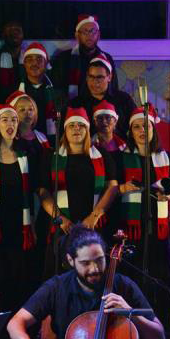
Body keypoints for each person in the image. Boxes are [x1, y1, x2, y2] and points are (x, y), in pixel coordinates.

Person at [7, 226, 165, 339]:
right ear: (70, 260)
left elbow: (159, 337)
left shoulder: (124, 286)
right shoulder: (56, 287)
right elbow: (15, 322)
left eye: (99, 260)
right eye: (85, 263)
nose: (94, 269)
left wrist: (131, 313)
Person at [117, 104, 170, 331]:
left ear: (153, 129)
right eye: (136, 127)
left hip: (159, 231)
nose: (142, 130)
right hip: (132, 230)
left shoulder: (166, 157)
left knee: (161, 280)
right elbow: (114, 189)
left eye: (146, 126)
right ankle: (134, 331)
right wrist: (123, 188)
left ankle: (161, 331)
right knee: (134, 282)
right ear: (131, 131)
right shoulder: (121, 158)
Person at [37, 107, 118, 275]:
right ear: (64, 130)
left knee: (92, 277)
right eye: (71, 125)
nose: (76, 129)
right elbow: (43, 192)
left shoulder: (101, 154)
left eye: (81, 125)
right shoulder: (51, 156)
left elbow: (113, 187)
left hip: (94, 226)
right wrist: (60, 218)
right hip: (62, 227)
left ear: (88, 130)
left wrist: (94, 216)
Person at [0, 104, 42, 312]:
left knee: (20, 279)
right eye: (5, 120)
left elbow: (32, 192)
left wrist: (31, 223)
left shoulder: (26, 154)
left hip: (19, 226)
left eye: (14, 120)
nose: (10, 124)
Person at [51, 14, 118, 98]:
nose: (89, 35)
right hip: (72, 107)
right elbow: (57, 91)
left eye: (93, 31)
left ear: (98, 35)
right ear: (77, 36)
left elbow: (113, 89)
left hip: (101, 107)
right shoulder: (64, 59)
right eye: (85, 31)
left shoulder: (107, 59)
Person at [69, 55, 136, 136]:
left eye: (99, 77)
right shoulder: (76, 104)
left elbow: (135, 125)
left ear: (109, 77)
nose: (95, 82)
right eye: (91, 77)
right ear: (86, 77)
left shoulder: (124, 99)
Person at [16, 42, 62, 143]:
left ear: (46, 63)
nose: (34, 64)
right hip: (23, 143)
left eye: (39, 59)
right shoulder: (15, 92)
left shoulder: (57, 93)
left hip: (51, 143)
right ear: (24, 64)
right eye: (29, 60)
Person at [6, 91, 50, 158]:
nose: (28, 113)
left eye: (31, 109)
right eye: (22, 110)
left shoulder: (41, 137)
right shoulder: (9, 138)